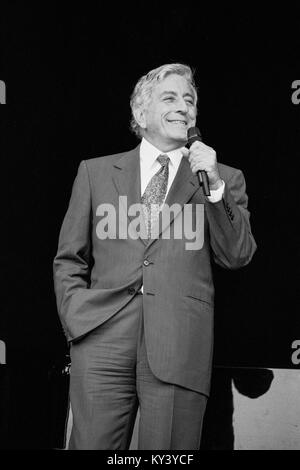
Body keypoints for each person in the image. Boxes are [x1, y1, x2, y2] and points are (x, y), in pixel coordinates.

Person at [53, 63, 257, 450]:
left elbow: (238, 255)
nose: (184, 107)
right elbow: (69, 258)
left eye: (190, 100)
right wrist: (75, 314)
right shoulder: (95, 173)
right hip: (100, 338)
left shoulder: (223, 179)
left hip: (180, 343)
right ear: (140, 113)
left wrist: (214, 186)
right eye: (170, 98)